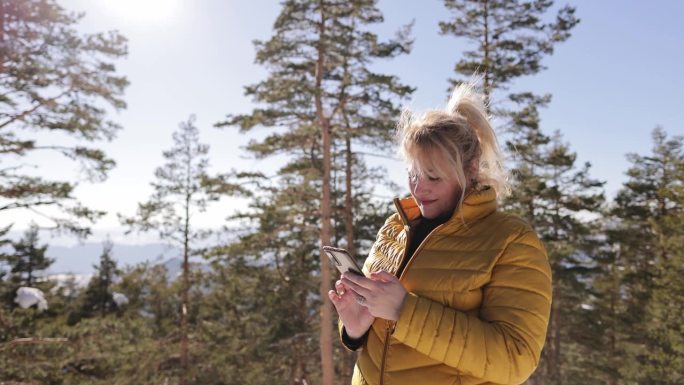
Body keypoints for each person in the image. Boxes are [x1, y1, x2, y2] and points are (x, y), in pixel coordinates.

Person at [328, 80, 552, 385]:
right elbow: (375, 330)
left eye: (433, 176)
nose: (419, 188)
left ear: (470, 169)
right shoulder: (396, 227)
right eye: (413, 173)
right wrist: (354, 329)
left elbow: (515, 358)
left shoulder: (510, 241)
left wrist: (405, 311)